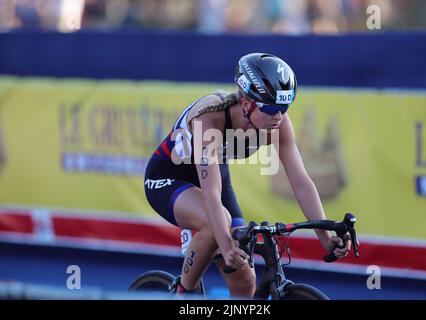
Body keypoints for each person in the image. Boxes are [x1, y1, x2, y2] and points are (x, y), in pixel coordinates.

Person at [144, 53, 351, 297]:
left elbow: (301, 181)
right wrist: (225, 244)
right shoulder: (209, 118)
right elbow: (211, 194)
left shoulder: (278, 124)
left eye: (285, 108)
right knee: (215, 224)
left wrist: (324, 237)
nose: (279, 116)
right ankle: (183, 293)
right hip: (169, 179)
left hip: (215, 176)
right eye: (271, 108)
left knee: (245, 281)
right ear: (245, 101)